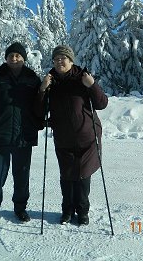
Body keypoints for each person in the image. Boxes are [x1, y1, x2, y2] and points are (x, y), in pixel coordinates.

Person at [38, 45, 108, 226]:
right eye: (56, 59)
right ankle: (67, 210)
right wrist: (42, 89)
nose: (59, 61)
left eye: (63, 58)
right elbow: (39, 112)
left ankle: (82, 211)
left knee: (83, 175)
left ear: (71, 60)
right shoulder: (50, 82)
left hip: (88, 137)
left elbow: (101, 103)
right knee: (67, 176)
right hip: (63, 138)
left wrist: (92, 85)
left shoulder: (82, 78)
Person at [0, 42, 41, 224]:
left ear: (24, 58)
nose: (14, 58)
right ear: (6, 58)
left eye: (18, 55)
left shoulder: (32, 79)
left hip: (24, 135)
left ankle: (20, 209)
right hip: (1, 134)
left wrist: (37, 123)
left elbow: (40, 103)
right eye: (11, 55)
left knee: (22, 176)